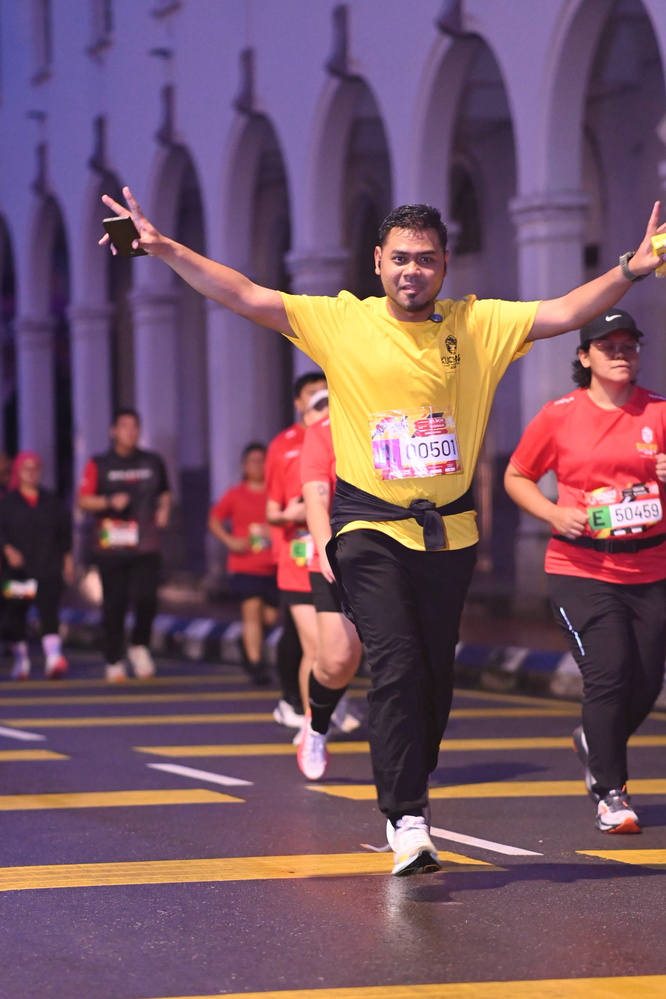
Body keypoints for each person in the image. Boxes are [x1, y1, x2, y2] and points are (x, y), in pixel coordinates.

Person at [100, 185, 666, 875]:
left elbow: (565, 310)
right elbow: (245, 294)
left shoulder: (479, 324)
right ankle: (406, 818)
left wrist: (630, 268)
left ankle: (412, 786)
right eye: (400, 258)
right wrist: (165, 248)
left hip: (449, 534)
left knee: (433, 679)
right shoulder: (342, 320)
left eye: (425, 259)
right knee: (395, 662)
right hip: (368, 523)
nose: (412, 271)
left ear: (445, 263)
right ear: (377, 261)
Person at [504, 308, 666, 834]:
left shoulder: (659, 412)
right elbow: (517, 476)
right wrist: (553, 513)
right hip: (581, 567)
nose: (620, 354)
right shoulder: (559, 415)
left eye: (629, 346)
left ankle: (593, 740)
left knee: (647, 681)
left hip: (650, 566)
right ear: (584, 356)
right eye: (608, 346)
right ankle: (611, 793)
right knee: (609, 671)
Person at [77, 408, 171, 682]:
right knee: (114, 603)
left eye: (134, 427)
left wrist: (164, 510)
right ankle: (113, 659)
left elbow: (165, 492)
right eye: (124, 427)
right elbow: (83, 500)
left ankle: (139, 645)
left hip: (145, 543)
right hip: (111, 546)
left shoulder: (153, 461)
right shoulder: (99, 463)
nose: (130, 432)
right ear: (113, 431)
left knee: (147, 598)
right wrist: (108, 501)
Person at [297, 399, 364, 780]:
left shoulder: (390, 414)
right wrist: (326, 547)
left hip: (394, 554)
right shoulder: (322, 433)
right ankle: (317, 723)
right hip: (338, 558)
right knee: (338, 660)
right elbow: (315, 499)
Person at [265, 372, 327, 733]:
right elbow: (272, 510)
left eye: (328, 397)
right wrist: (294, 513)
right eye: (314, 398)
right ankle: (310, 721)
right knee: (313, 645)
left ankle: (328, 705)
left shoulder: (344, 439)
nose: (322, 405)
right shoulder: (284, 445)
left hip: (336, 557)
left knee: (336, 649)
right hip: (298, 558)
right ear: (301, 405)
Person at [208, 442, 277, 686]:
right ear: (244, 466)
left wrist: (273, 532)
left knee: (270, 616)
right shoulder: (235, 494)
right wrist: (231, 541)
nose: (257, 466)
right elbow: (214, 520)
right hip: (245, 565)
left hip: (273, 564)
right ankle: (256, 664)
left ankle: (246, 642)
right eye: (252, 461)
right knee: (252, 611)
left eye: (262, 461)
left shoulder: (276, 492)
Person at [0, 451, 74, 679]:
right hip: (19, 571)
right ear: (18, 471)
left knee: (49, 612)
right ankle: (21, 659)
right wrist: (8, 550)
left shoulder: (51, 501)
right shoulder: (8, 502)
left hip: (48, 568)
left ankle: (54, 658)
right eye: (26, 469)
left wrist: (67, 561)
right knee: (16, 614)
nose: (31, 473)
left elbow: (64, 534)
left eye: (35, 469)